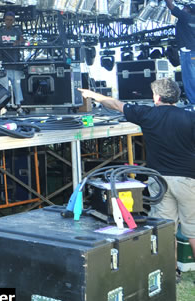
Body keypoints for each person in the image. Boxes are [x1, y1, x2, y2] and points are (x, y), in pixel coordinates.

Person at [79, 79, 195, 268]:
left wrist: (92, 95)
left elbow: (115, 104)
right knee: (194, 230)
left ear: (156, 97)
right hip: (188, 179)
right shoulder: (190, 117)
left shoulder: (147, 113)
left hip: (159, 181)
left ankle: (171, 272)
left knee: (166, 229)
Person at [162, 0, 195, 104]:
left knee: (189, 79)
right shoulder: (192, 19)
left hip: (188, 54)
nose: (183, 9)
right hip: (193, 53)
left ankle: (193, 104)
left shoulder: (186, 17)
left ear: (189, 11)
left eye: (185, 8)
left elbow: (171, 6)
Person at [0, 11, 25, 112]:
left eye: (11, 20)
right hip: (3, 63)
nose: (9, 22)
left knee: (17, 85)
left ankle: (18, 105)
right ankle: (3, 106)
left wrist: (18, 42)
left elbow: (23, 40)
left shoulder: (17, 31)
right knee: (3, 86)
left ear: (13, 20)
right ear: (4, 20)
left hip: (15, 62)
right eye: (7, 20)